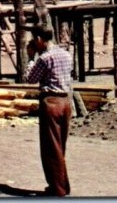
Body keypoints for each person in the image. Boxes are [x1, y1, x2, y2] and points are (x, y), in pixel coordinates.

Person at [24, 26, 73, 197]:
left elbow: (30, 79)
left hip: (51, 102)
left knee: (51, 147)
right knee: (60, 145)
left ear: (39, 38)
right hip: (66, 101)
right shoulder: (66, 54)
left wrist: (31, 58)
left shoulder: (44, 58)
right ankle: (62, 185)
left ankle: (57, 189)